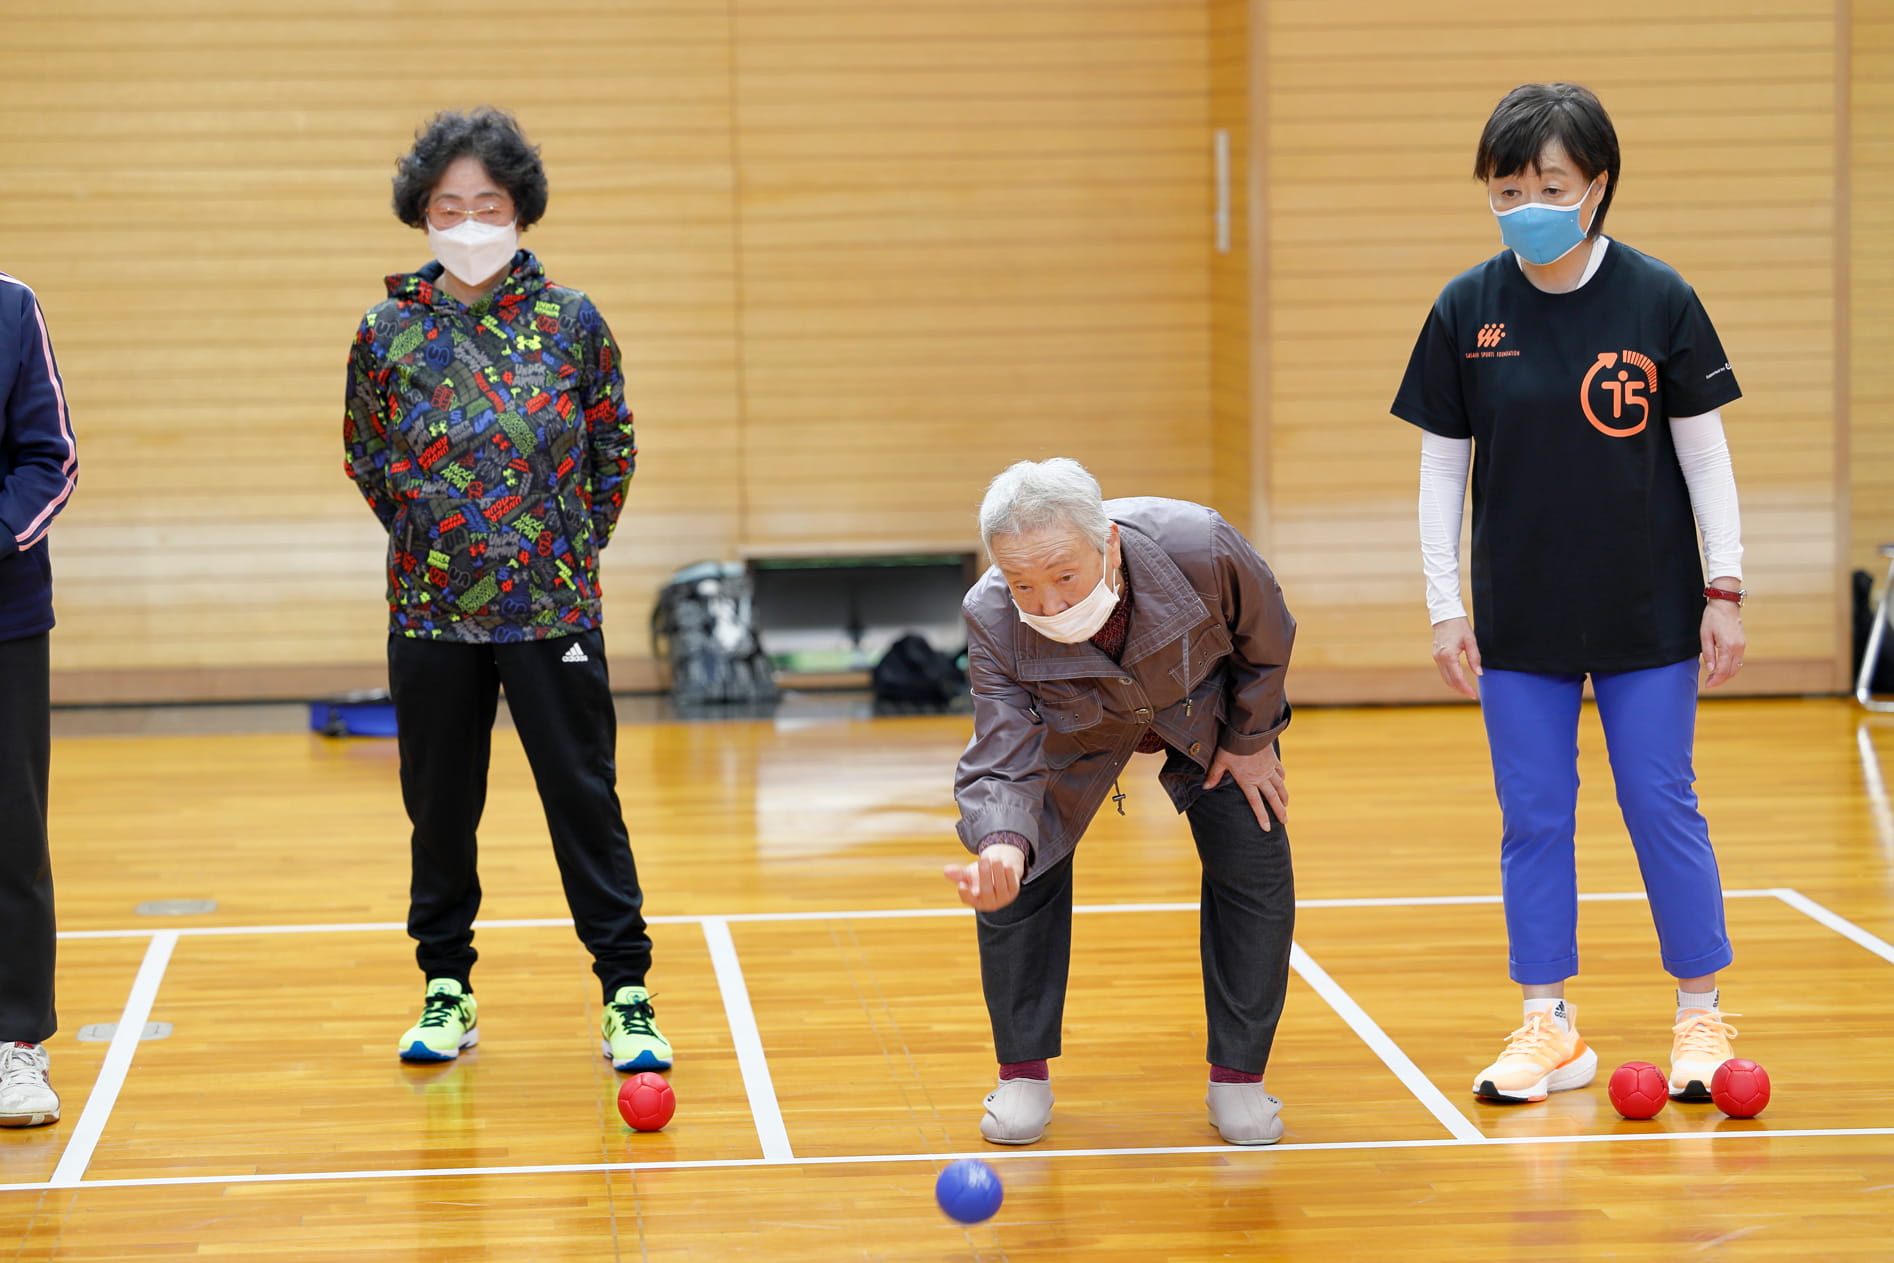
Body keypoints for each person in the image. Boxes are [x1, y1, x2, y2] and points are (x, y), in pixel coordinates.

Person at [1392, 83, 1749, 1104]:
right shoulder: (1465, 309)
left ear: (1595, 187)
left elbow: (1706, 459)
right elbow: (1439, 474)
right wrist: (1443, 606)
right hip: (1520, 617)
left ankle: (1698, 1016)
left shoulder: (1657, 298)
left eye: (1549, 184)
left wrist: (1722, 586)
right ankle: (1547, 1025)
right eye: (1507, 188)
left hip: (1648, 609)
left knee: (1658, 800)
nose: (1527, 204)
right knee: (1534, 814)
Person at [344, 107, 670, 1073]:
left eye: (489, 202)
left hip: (553, 611)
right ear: (422, 214)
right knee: (440, 805)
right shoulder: (386, 331)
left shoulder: (572, 322)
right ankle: (446, 987)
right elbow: (368, 457)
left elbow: (613, 448)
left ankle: (628, 993)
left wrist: (566, 551)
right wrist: (431, 541)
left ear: (520, 208)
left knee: (583, 796)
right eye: (450, 204)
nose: (471, 220)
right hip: (431, 614)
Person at [945, 458, 1297, 1146]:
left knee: (1254, 854)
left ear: (1107, 543)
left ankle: (1240, 1080)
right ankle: (1022, 1076)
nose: (1046, 604)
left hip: (1206, 709)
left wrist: (1253, 736)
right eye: (1023, 584)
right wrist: (1001, 843)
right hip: (1072, 730)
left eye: (1064, 576)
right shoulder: (991, 614)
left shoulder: (1203, 546)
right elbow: (1002, 745)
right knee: (1014, 865)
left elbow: (1268, 634)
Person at [0, 270, 77, 1128]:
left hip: (4, 618)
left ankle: (14, 1041)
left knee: (10, 832)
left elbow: (48, 457)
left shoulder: (10, 307)